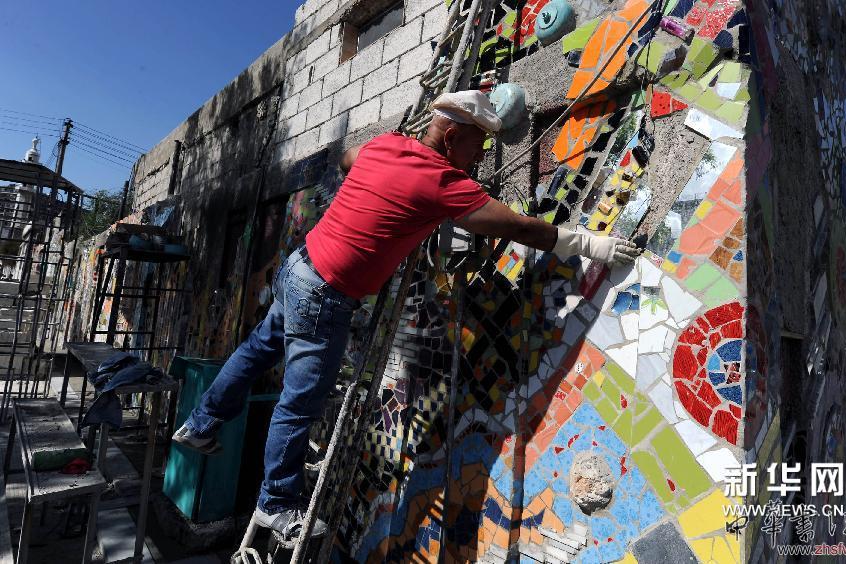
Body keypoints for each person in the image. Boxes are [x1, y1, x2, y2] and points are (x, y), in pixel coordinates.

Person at [172, 91, 640, 539]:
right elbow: (517, 226)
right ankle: (275, 504)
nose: (479, 158)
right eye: (478, 145)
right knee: (300, 403)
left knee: (256, 352)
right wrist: (589, 244)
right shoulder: (441, 182)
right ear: (452, 137)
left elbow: (345, 160)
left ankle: (200, 424)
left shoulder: (386, 145)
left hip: (299, 268)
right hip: (326, 297)